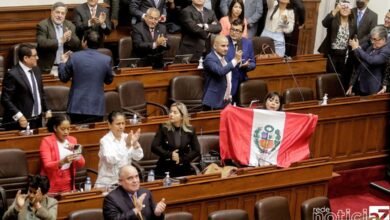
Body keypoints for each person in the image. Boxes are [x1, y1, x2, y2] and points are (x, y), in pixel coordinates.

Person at [59, 30, 114, 124]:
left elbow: (63, 77)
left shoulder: (74, 57)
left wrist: (62, 62)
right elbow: (109, 80)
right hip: (96, 107)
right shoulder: (106, 60)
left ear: (84, 42)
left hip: (76, 106)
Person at [1, 43, 52, 131]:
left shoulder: (36, 70)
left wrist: (47, 110)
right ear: (25, 58)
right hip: (20, 122)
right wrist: (19, 116)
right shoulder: (12, 74)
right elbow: (5, 99)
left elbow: (40, 92)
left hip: (37, 120)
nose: (37, 58)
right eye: (35, 56)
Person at [95, 111, 144, 188]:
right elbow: (111, 160)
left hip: (126, 182)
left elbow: (139, 157)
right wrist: (126, 146)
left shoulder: (127, 137)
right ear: (109, 125)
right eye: (118, 124)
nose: (121, 127)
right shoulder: (105, 141)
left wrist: (134, 144)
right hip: (108, 184)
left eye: (123, 123)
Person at [151, 102, 201, 178]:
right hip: (165, 167)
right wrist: (169, 154)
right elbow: (154, 146)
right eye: (170, 112)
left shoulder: (190, 130)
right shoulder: (164, 128)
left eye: (175, 113)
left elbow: (196, 150)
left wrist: (182, 159)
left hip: (183, 167)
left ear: (182, 116)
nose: (171, 114)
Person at [39, 114, 85, 194]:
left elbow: (81, 164)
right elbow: (47, 165)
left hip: (68, 180)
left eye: (68, 129)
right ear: (55, 128)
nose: (66, 132)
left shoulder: (73, 140)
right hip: (51, 181)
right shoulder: (46, 141)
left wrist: (77, 153)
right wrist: (62, 161)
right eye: (63, 129)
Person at [318, 1, 356, 89]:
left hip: (343, 55)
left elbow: (354, 37)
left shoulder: (353, 24)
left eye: (347, 7)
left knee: (340, 78)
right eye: (343, 7)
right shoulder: (333, 20)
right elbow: (324, 23)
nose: (345, 8)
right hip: (331, 54)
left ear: (351, 11)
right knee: (331, 77)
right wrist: (335, 10)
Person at [36, 2, 80, 73]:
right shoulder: (43, 25)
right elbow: (42, 43)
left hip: (66, 65)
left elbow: (77, 43)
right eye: (57, 12)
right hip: (49, 67)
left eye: (62, 13)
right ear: (52, 12)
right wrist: (60, 40)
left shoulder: (69, 25)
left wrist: (70, 38)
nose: (60, 15)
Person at [347, 25, 390, 96]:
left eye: (375, 39)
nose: (372, 42)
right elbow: (361, 64)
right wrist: (352, 84)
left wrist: (357, 48)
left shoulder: (386, 51)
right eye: (371, 39)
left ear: (383, 39)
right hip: (360, 86)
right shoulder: (371, 48)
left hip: (373, 89)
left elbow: (372, 61)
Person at [202, 35, 242, 110]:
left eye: (227, 46)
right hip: (213, 102)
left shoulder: (225, 58)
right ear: (215, 46)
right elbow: (220, 71)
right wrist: (235, 60)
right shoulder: (209, 58)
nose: (226, 48)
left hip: (225, 100)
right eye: (223, 46)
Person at [226, 19, 256, 102]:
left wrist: (247, 65)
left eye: (237, 30)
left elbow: (253, 63)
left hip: (242, 80)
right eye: (232, 29)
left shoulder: (248, 43)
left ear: (242, 32)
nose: (234, 32)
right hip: (227, 82)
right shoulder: (224, 41)